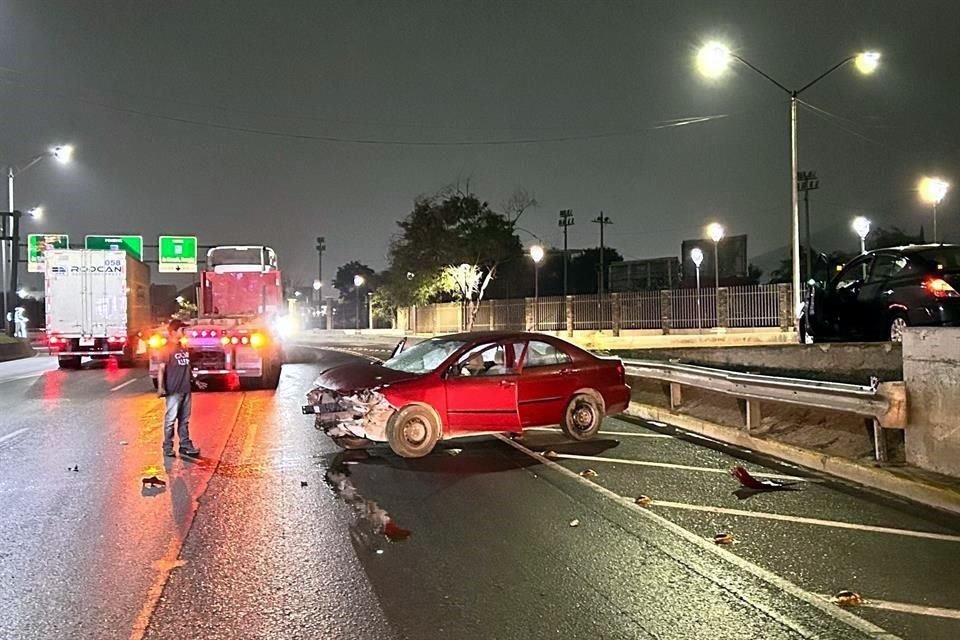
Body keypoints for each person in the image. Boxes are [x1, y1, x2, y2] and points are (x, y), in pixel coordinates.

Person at [157, 320, 200, 457]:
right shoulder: (166, 348)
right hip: (174, 390)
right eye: (182, 329)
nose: (184, 332)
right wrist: (161, 388)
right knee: (170, 420)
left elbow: (187, 366)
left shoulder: (183, 347)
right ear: (173, 332)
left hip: (186, 388)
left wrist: (194, 381)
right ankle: (168, 447)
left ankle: (185, 445)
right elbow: (161, 369)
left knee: (184, 420)